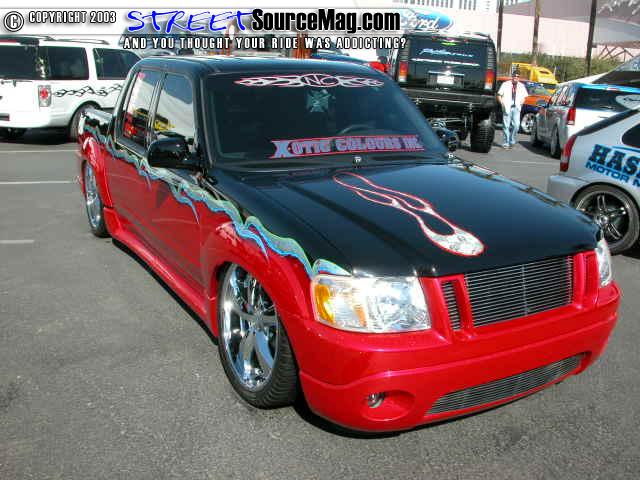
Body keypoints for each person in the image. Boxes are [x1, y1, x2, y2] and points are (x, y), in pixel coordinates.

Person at [497, 70, 529, 149]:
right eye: (514, 76)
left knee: (516, 126)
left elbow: (525, 96)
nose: (516, 77)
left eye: (517, 76)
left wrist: (521, 103)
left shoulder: (521, 86)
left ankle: (512, 140)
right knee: (506, 126)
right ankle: (506, 142)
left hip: (516, 108)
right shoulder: (505, 84)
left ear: (519, 77)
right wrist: (502, 104)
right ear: (512, 76)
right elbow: (499, 95)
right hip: (507, 107)